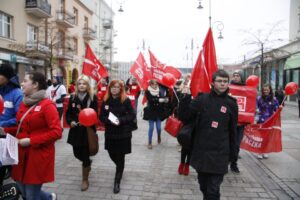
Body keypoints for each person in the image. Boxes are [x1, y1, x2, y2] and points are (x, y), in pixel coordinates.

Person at [4, 72, 62, 200]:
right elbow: (21, 127)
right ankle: (49, 198)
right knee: (23, 191)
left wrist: (31, 141)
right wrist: (4, 130)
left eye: (25, 81)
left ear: (35, 85)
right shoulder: (24, 103)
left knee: (30, 196)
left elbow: (57, 132)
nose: (22, 84)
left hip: (37, 156)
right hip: (20, 154)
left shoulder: (48, 105)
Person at [182, 69, 238, 200]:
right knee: (204, 186)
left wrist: (233, 154)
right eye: (220, 81)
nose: (223, 84)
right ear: (212, 83)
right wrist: (184, 97)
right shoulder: (202, 99)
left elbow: (233, 130)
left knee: (213, 190)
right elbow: (184, 117)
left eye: (225, 81)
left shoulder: (231, 104)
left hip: (220, 153)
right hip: (202, 151)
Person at [99, 80, 135, 194]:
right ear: (109, 88)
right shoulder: (106, 100)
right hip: (110, 132)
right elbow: (101, 116)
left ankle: (117, 181)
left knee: (120, 156)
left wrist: (121, 120)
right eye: (112, 87)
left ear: (121, 89)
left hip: (123, 133)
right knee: (111, 153)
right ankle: (120, 167)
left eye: (117, 87)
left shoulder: (126, 100)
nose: (114, 89)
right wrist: (110, 121)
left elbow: (132, 115)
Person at [66, 75, 98, 191]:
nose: (81, 86)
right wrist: (71, 122)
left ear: (88, 85)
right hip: (75, 131)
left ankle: (85, 179)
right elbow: (68, 113)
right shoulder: (73, 97)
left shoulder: (92, 97)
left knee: (84, 154)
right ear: (76, 86)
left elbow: (95, 114)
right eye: (79, 84)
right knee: (76, 153)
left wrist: (88, 120)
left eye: (84, 83)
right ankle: (87, 163)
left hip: (87, 131)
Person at [0, 63, 23, 186]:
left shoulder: (17, 93)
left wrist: (2, 124)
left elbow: (19, 118)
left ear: (7, 77)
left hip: (7, 137)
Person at [144, 79, 169, 149]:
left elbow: (164, 97)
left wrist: (165, 100)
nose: (154, 85)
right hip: (151, 112)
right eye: (153, 84)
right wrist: (158, 100)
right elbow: (150, 99)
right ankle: (149, 142)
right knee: (151, 128)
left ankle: (159, 136)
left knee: (159, 128)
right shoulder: (147, 91)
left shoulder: (160, 90)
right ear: (150, 85)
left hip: (159, 112)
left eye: (156, 84)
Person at [256, 83, 279, 159]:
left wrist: (279, 109)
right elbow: (255, 107)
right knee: (261, 137)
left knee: (267, 137)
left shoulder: (274, 99)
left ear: (270, 90)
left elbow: (277, 110)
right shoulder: (259, 98)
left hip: (270, 121)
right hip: (261, 120)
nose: (265, 91)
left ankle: (265, 151)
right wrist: (256, 111)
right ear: (262, 90)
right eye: (264, 90)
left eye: (267, 90)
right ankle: (260, 152)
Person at [229, 70, 246, 173]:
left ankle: (234, 164)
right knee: (227, 143)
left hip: (241, 123)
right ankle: (226, 162)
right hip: (229, 122)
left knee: (236, 145)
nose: (235, 77)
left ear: (241, 77)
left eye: (238, 76)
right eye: (234, 75)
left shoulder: (246, 89)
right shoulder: (228, 88)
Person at [177, 85, 192, 176]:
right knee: (185, 147)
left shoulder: (195, 98)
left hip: (194, 126)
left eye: (188, 89)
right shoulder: (182, 98)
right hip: (186, 126)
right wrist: (184, 97)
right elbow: (181, 115)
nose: (187, 90)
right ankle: (182, 163)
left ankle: (187, 165)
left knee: (191, 148)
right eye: (185, 88)